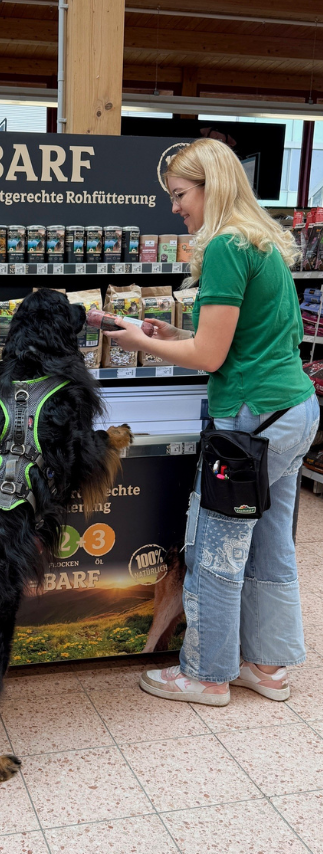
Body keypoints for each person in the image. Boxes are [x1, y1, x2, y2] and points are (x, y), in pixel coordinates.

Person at [105, 137, 319, 706]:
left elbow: (209, 357)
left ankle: (206, 673)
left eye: (180, 194)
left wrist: (137, 342)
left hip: (251, 422)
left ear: (211, 187)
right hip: (292, 410)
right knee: (270, 543)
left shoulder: (224, 245)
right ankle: (266, 666)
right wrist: (174, 334)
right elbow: (239, 338)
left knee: (216, 549)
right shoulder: (259, 240)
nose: (175, 207)